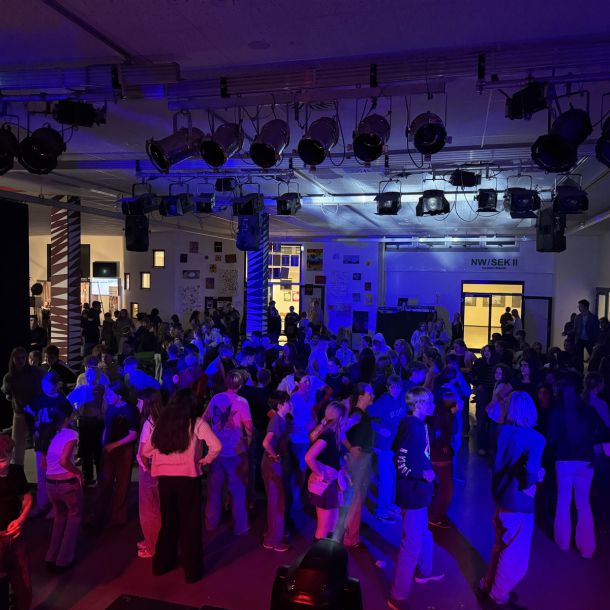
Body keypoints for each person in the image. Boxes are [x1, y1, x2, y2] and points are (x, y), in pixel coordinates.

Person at [142, 390, 221, 584]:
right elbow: (216, 446)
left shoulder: (162, 423)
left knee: (168, 522)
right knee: (190, 524)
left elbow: (147, 450)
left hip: (165, 479)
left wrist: (162, 458)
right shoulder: (197, 423)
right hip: (188, 477)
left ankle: (162, 564)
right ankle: (192, 571)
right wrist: (205, 460)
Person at [479, 392, 545, 609]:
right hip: (519, 503)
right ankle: (498, 596)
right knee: (515, 553)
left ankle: (487, 583)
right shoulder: (535, 438)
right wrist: (534, 479)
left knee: (500, 544)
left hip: (500, 497)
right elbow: (530, 471)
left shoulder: (499, 431)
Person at [388, 387, 444, 610]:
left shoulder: (417, 425)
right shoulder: (414, 427)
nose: (433, 405)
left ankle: (424, 572)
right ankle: (397, 595)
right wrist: (422, 473)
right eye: (430, 401)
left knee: (423, 533)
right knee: (411, 541)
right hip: (412, 492)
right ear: (419, 404)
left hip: (418, 491)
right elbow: (401, 463)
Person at [546, 376, 610, 558]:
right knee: (584, 503)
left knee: (563, 500)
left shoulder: (556, 411)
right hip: (586, 461)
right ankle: (587, 548)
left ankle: (563, 542)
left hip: (564, 461)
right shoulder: (588, 410)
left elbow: (550, 438)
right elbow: (604, 433)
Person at [203, 370, 253, 535]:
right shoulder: (242, 402)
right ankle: (240, 526)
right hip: (235, 452)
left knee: (214, 490)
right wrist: (249, 441)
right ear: (240, 385)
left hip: (217, 452)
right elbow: (249, 427)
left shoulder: (216, 398)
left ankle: (211, 523)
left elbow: (204, 420)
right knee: (238, 491)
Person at [24, 372, 72, 516]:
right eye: (44, 386)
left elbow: (69, 417)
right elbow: (27, 412)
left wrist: (63, 432)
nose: (46, 388)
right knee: (41, 473)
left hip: (56, 442)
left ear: (56, 385)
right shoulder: (39, 400)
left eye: (49, 386)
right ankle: (42, 504)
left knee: (56, 474)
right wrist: (33, 430)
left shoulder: (62, 401)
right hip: (42, 441)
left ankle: (57, 506)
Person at [89, 389, 138, 527]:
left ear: (120, 395)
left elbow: (133, 434)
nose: (107, 397)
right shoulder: (110, 409)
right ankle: (98, 515)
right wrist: (104, 444)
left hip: (124, 451)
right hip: (109, 449)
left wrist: (114, 445)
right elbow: (106, 428)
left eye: (110, 394)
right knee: (104, 482)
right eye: (107, 394)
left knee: (122, 484)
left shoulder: (129, 410)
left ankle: (118, 517)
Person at [42, 408, 82, 572]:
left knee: (59, 516)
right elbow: (64, 460)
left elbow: (43, 464)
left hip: (50, 484)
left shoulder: (47, 434)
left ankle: (51, 556)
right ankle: (64, 560)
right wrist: (78, 472)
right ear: (67, 418)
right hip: (67, 483)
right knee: (74, 516)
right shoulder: (71, 434)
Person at [305, 401, 347, 540]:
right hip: (325, 485)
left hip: (331, 484)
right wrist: (320, 473)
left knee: (332, 523)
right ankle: (318, 552)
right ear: (340, 418)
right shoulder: (327, 436)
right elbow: (309, 457)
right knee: (324, 526)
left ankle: (327, 549)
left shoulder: (332, 434)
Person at [0, 434, 33, 610]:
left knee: (23, 580)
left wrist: (21, 519)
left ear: (11, 455)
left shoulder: (16, 472)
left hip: (15, 535)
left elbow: (26, 497)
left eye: (2, 460)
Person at [368, 375, 406, 521]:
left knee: (393, 476)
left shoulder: (402, 398)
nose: (394, 390)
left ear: (401, 387)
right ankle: (381, 510)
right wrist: (379, 429)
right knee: (385, 479)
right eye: (391, 387)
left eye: (397, 387)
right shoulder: (383, 400)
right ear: (388, 387)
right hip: (385, 445)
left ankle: (389, 504)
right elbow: (367, 418)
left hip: (397, 444)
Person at [342, 384, 375, 548]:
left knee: (356, 496)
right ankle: (351, 538)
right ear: (361, 396)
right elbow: (340, 430)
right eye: (370, 393)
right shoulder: (356, 414)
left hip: (362, 459)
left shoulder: (362, 414)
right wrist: (350, 448)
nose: (373, 395)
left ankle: (351, 533)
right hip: (356, 460)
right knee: (354, 497)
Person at [261, 391, 292, 552]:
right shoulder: (276, 421)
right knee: (276, 501)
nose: (290, 404)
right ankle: (273, 540)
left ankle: (273, 534)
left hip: (275, 464)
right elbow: (265, 443)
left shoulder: (282, 419)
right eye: (287, 402)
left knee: (277, 500)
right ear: (280, 405)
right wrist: (274, 456)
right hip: (272, 465)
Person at [2, 347, 44, 466]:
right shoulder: (9, 377)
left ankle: (44, 473)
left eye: (23, 358)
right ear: (13, 359)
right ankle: (17, 474)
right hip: (20, 413)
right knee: (17, 448)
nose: (20, 360)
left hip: (36, 413)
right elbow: (7, 393)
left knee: (41, 445)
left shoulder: (36, 372)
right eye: (17, 358)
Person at [135, 389, 164, 559]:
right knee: (157, 507)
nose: (137, 405)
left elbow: (143, 453)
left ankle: (152, 546)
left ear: (147, 403)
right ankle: (153, 540)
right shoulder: (161, 419)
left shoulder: (148, 423)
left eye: (139, 402)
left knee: (148, 510)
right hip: (160, 468)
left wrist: (147, 469)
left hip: (149, 470)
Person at [574, 299, 599, 371]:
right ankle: (580, 372)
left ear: (585, 307)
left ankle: (593, 371)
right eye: (578, 306)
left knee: (593, 356)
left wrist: (595, 341)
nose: (579, 308)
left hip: (590, 340)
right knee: (579, 358)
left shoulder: (593, 317)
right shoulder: (577, 317)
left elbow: (596, 330)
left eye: (580, 306)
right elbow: (575, 328)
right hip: (579, 339)